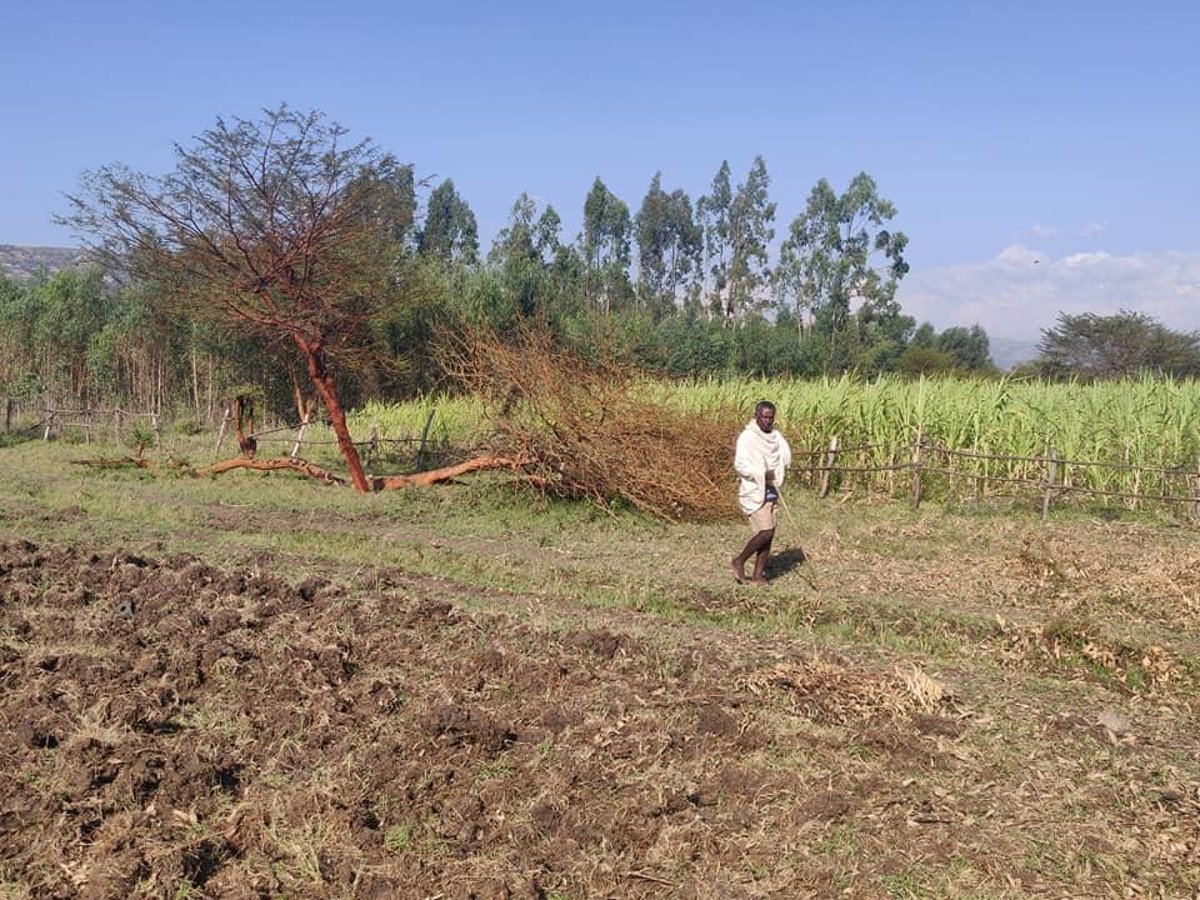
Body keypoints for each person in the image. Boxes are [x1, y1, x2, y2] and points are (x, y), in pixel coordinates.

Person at [731, 400, 792, 585]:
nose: (767, 421)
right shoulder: (748, 438)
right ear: (757, 416)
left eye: (771, 418)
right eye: (764, 417)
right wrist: (762, 473)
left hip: (772, 489)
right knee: (765, 531)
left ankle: (758, 576)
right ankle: (739, 561)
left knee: (770, 533)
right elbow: (741, 465)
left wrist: (775, 472)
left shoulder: (775, 437)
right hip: (754, 490)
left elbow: (785, 458)